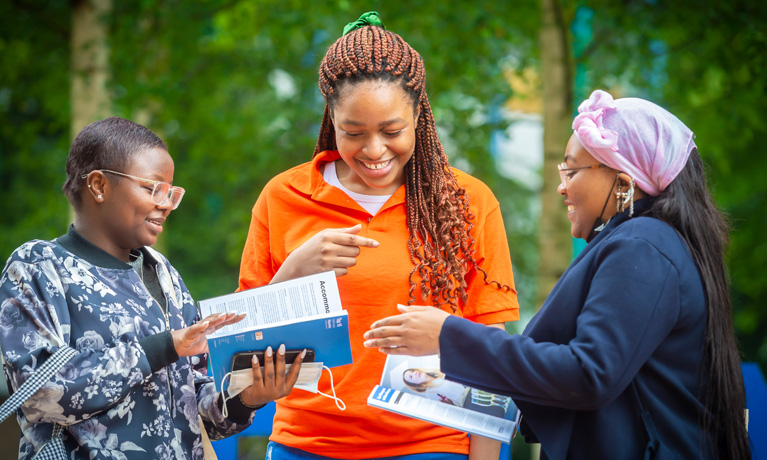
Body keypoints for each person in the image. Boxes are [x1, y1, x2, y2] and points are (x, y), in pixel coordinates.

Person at [364, 90, 752, 459]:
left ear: (623, 181)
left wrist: (448, 335)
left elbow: (588, 374)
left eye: (572, 170)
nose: (561, 186)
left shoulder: (642, 245)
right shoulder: (644, 242)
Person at [237, 11, 519, 460]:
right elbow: (243, 345)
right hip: (306, 445)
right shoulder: (283, 196)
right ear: (331, 118)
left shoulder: (468, 202)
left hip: (432, 445)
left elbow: (492, 344)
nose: (373, 151)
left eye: (392, 131)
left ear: (419, 116)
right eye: (353, 133)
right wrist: (294, 270)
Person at [0, 117, 303, 460]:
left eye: (172, 192)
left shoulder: (164, 274)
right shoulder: (37, 267)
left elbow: (199, 409)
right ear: (98, 186)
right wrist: (164, 347)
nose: (166, 204)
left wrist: (246, 397)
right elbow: (40, 392)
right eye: (152, 188)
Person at [402, 368, 470, 406]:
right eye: (411, 376)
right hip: (468, 402)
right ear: (415, 385)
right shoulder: (431, 393)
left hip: (473, 390)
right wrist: (450, 404)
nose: (414, 373)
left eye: (413, 371)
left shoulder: (439, 373)